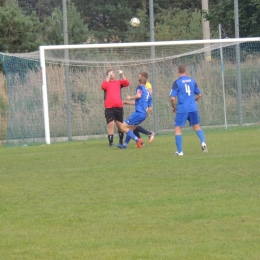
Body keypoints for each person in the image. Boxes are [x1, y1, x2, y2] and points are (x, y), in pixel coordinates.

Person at [169, 64, 208, 156]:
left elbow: (172, 98)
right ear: (185, 71)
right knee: (197, 126)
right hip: (193, 108)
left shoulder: (177, 82)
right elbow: (199, 94)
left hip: (183, 108)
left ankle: (180, 152)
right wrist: (194, 100)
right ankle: (203, 142)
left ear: (178, 71)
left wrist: (173, 107)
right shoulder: (192, 81)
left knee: (178, 129)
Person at [116, 74, 151, 149]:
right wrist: (145, 116)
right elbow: (149, 107)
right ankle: (124, 145)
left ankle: (138, 140)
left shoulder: (140, 87)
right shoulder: (147, 93)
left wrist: (130, 98)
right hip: (143, 114)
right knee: (131, 129)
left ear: (139, 82)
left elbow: (138, 96)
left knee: (122, 127)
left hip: (138, 113)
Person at [101, 69, 130, 147]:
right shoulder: (106, 83)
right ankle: (111, 143)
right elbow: (103, 86)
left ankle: (121, 140)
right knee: (111, 124)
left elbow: (127, 83)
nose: (113, 74)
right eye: (111, 73)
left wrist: (122, 74)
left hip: (119, 107)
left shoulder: (118, 82)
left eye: (113, 72)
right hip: (109, 108)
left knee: (120, 126)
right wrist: (108, 76)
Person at [133, 72, 155, 145]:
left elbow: (148, 95)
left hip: (142, 109)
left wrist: (130, 98)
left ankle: (149, 134)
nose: (138, 78)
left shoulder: (146, 85)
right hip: (140, 108)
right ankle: (140, 142)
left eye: (139, 77)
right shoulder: (140, 86)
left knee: (133, 125)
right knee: (134, 125)